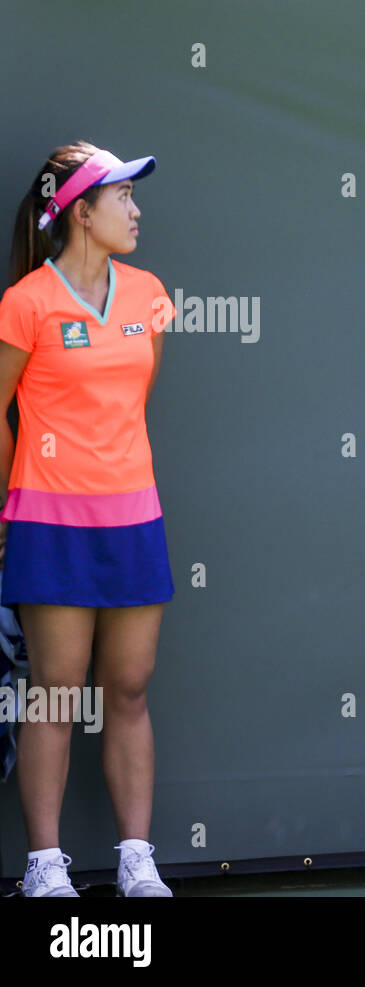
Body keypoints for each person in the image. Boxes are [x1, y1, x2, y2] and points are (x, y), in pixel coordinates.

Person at [0, 141, 177, 896]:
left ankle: (136, 857)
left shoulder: (149, 295)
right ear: (81, 211)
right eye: (123, 198)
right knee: (56, 689)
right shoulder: (25, 301)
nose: (136, 211)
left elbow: (135, 402)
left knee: (129, 687)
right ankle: (45, 867)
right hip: (48, 520)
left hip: (134, 517)